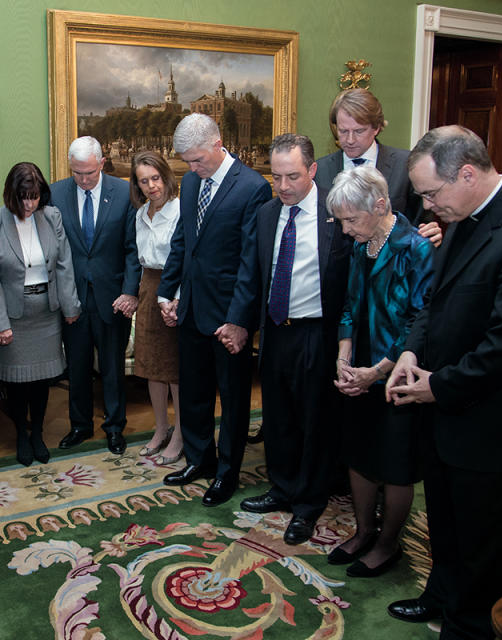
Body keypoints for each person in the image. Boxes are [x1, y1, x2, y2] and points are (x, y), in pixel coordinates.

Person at [385, 125, 502, 638]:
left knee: (483, 544)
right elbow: (435, 301)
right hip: (447, 410)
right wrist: (410, 351)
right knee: (446, 523)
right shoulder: (461, 212)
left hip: (494, 425)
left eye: (429, 193)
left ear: (467, 173)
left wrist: (436, 386)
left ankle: (469, 625)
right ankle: (441, 595)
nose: (425, 205)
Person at [238, 134, 351, 544]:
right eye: (276, 177)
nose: (283, 186)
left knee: (313, 421)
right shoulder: (268, 214)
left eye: (292, 176)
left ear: (313, 170)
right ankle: (281, 488)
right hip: (274, 332)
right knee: (279, 417)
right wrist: (240, 323)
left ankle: (307, 504)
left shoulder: (337, 213)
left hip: (316, 333)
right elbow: (253, 275)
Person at [157, 113, 272, 507]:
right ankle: (200, 460)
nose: (192, 169)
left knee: (234, 398)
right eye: (186, 162)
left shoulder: (253, 187)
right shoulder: (191, 183)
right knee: (193, 394)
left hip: (227, 317)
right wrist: (166, 293)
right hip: (190, 308)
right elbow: (183, 242)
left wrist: (239, 320)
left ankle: (227, 473)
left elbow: (249, 263)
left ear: (218, 143)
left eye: (198, 160)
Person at [325, 166, 433, 577]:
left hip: (401, 367)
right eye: (341, 221)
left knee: (394, 461)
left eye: (352, 220)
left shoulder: (415, 247)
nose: (347, 230)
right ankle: (363, 531)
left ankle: (388, 544)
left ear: (382, 205)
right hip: (362, 363)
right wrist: (344, 355)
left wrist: (379, 371)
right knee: (358, 450)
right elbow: (350, 305)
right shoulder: (360, 245)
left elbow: (417, 320)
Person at [0, 162, 81, 466]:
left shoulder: (51, 217)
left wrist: (70, 306)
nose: (29, 203)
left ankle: (37, 433)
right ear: (11, 194)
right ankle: (21, 435)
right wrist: (0, 323)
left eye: (34, 196)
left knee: (41, 382)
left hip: (46, 315)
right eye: (23, 197)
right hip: (13, 318)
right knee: (17, 383)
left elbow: (64, 264)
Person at [50, 136, 140, 455]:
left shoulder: (124, 192)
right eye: (77, 173)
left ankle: (114, 426)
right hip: (73, 297)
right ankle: (80, 425)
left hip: (112, 296)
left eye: (89, 172)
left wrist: (130, 291)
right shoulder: (55, 193)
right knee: (76, 365)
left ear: (102, 163)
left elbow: (132, 248)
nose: (84, 180)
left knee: (112, 367)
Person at [315, 89, 442, 247]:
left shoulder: (405, 165)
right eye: (343, 131)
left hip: (391, 266)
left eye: (359, 131)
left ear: (376, 128)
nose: (350, 139)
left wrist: (429, 234)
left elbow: (422, 221)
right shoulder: (321, 170)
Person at [129, 150, 182, 464]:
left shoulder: (179, 211)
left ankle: (181, 434)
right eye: (143, 181)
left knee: (174, 368)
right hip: (148, 288)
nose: (151, 186)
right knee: (151, 365)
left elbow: (184, 259)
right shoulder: (140, 214)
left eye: (155, 178)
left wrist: (178, 297)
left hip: (173, 289)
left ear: (165, 176)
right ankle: (161, 429)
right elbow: (139, 260)